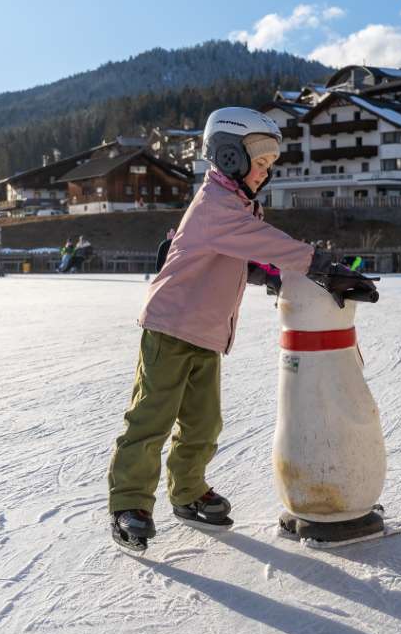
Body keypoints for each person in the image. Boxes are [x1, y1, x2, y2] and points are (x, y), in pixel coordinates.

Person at [107, 106, 377, 552]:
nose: (265, 173)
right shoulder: (217, 205)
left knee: (202, 423)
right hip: (170, 329)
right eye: (260, 162)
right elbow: (264, 242)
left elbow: (242, 253)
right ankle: (129, 503)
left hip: (206, 334)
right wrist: (321, 266)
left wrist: (267, 275)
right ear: (230, 156)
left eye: (270, 165)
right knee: (151, 418)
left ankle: (188, 492)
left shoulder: (232, 205)